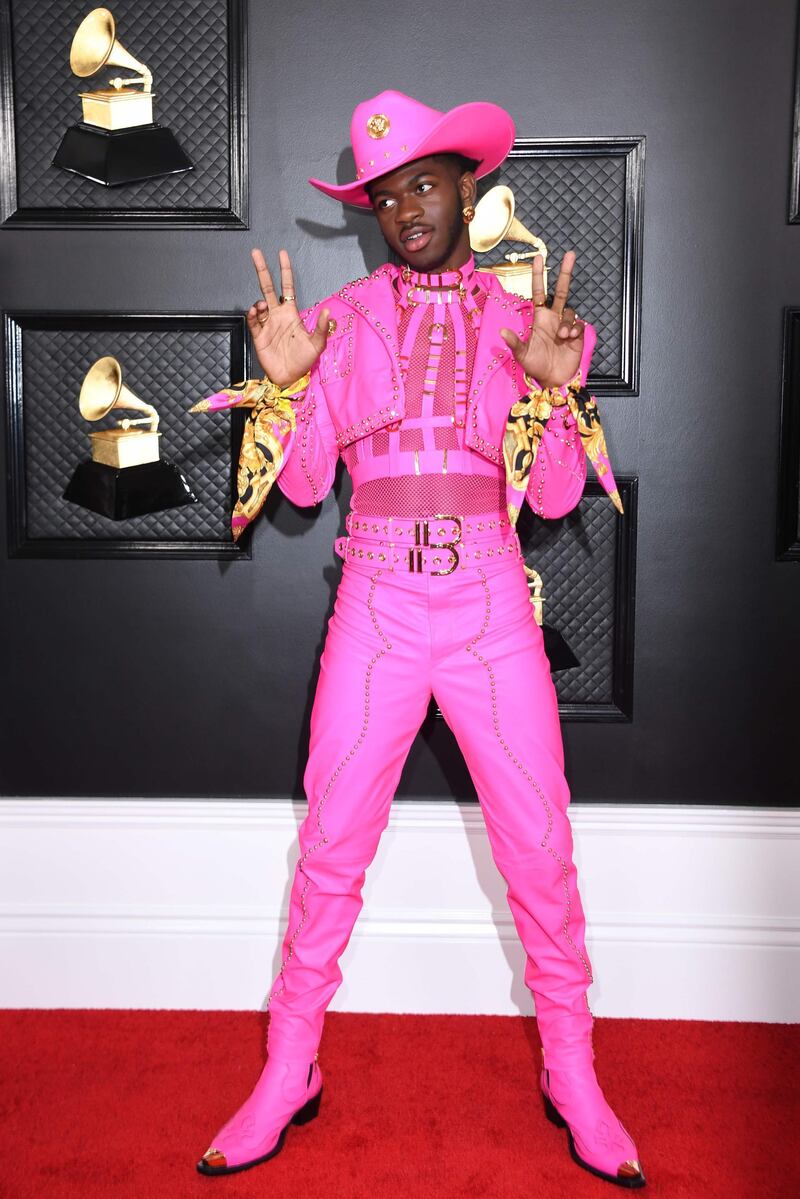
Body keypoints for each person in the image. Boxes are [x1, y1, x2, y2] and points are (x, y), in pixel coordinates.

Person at [193, 89, 644, 1189]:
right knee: (333, 843)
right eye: (386, 195)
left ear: (468, 191)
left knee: (538, 846)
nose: (405, 210)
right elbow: (299, 488)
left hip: (490, 610)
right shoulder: (340, 317)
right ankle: (288, 1066)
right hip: (378, 607)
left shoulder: (520, 319)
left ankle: (573, 1072)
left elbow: (544, 501)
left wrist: (550, 384)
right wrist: (289, 385)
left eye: (424, 187)